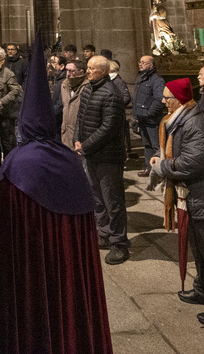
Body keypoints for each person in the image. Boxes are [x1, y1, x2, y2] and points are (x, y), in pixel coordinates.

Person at [0, 40, 111, 354]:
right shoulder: (70, 162)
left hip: (29, 283)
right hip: (70, 280)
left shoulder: (15, 163)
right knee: (69, 307)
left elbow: (0, 239)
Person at [151, 77, 204, 327]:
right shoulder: (179, 121)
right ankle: (203, 289)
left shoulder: (194, 124)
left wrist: (162, 166)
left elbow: (193, 162)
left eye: (167, 98)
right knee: (199, 249)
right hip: (193, 196)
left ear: (178, 100)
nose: (163, 102)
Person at [73, 54, 130, 264]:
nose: (87, 71)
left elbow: (108, 128)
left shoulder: (111, 95)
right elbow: (80, 117)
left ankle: (119, 242)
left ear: (104, 71)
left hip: (108, 157)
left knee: (112, 200)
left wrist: (85, 146)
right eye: (87, 68)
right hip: (91, 154)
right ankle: (104, 234)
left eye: (91, 68)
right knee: (97, 198)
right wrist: (77, 139)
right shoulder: (88, 89)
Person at [132, 55, 166, 178]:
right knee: (147, 145)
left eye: (143, 62)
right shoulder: (141, 78)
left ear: (151, 65)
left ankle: (159, 170)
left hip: (151, 120)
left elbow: (159, 99)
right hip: (142, 119)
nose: (140, 64)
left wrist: (148, 113)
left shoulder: (156, 80)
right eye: (139, 62)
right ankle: (149, 168)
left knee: (156, 145)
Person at [58, 59, 86, 150]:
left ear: (81, 72)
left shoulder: (87, 87)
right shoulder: (64, 85)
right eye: (67, 70)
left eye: (71, 71)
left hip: (80, 136)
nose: (68, 74)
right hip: (66, 134)